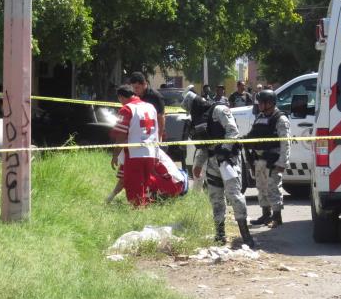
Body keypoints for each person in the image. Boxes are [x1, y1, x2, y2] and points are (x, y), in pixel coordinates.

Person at [181, 89, 255, 247]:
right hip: (212, 162)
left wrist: (225, 150)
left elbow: (232, 131)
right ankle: (220, 234)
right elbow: (203, 145)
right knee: (215, 198)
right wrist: (199, 164)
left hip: (228, 160)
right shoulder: (198, 118)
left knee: (234, 195)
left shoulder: (219, 110)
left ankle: (245, 234)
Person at [245, 90, 290, 228]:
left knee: (273, 188)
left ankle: (277, 217)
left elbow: (285, 143)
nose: (258, 105)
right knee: (262, 188)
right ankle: (265, 215)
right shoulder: (260, 116)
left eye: (261, 102)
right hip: (260, 159)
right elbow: (253, 135)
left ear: (269, 103)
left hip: (273, 160)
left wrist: (282, 162)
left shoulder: (280, 119)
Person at [110, 84, 159, 206]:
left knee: (134, 188)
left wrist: (115, 154)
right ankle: (146, 211)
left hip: (134, 154)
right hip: (151, 152)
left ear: (121, 97)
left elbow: (121, 135)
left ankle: (138, 216)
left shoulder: (127, 109)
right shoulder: (151, 107)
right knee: (146, 185)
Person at [107, 148, 189, 203]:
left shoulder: (130, 150)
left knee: (134, 179)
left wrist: (110, 198)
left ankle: (143, 202)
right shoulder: (147, 144)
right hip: (178, 184)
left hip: (170, 186)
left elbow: (123, 180)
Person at [129, 72, 166, 140]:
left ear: (144, 84)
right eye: (133, 88)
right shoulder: (133, 96)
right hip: (138, 134)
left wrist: (159, 136)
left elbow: (161, 117)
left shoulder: (155, 97)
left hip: (153, 134)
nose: (135, 90)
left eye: (137, 87)